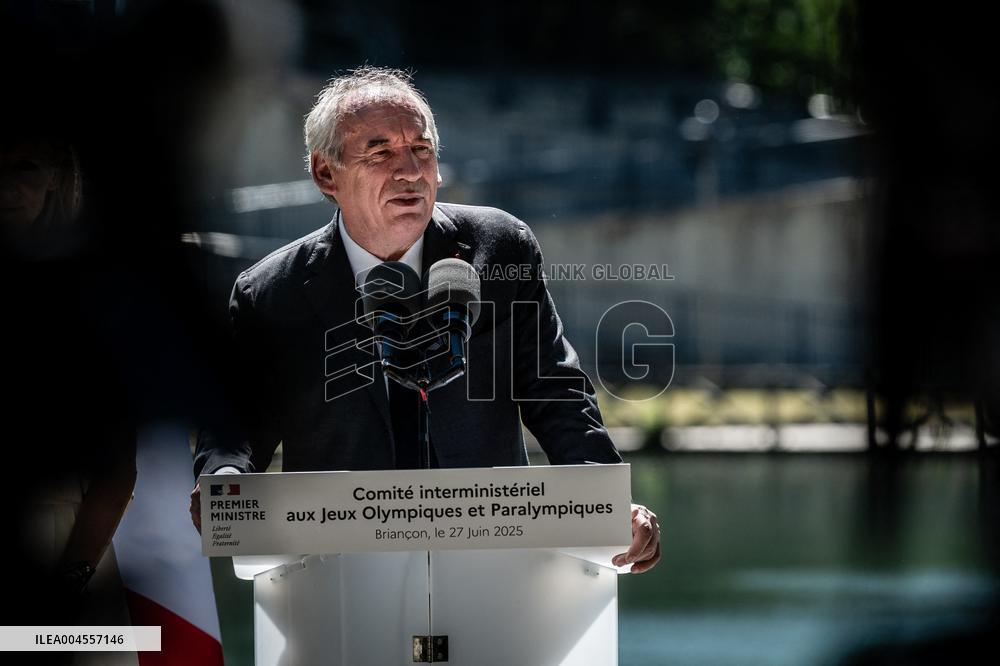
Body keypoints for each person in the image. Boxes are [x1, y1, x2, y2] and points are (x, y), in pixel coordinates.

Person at [191, 67, 659, 573]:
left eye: (422, 148)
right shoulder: (269, 293)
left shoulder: (499, 248)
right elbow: (236, 433)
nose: (410, 170)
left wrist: (610, 506)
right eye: (381, 152)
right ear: (326, 173)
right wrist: (222, 483)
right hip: (337, 581)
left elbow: (557, 395)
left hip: (492, 573)